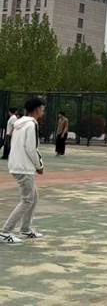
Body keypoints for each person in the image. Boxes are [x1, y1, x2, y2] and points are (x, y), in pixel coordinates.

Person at [1, 98, 46, 244]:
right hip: (24, 167)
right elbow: (31, 148)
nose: (43, 112)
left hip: (17, 165)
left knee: (34, 197)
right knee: (27, 200)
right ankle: (5, 232)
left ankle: (25, 229)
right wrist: (39, 166)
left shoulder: (19, 123)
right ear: (37, 109)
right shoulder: (31, 125)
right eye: (42, 109)